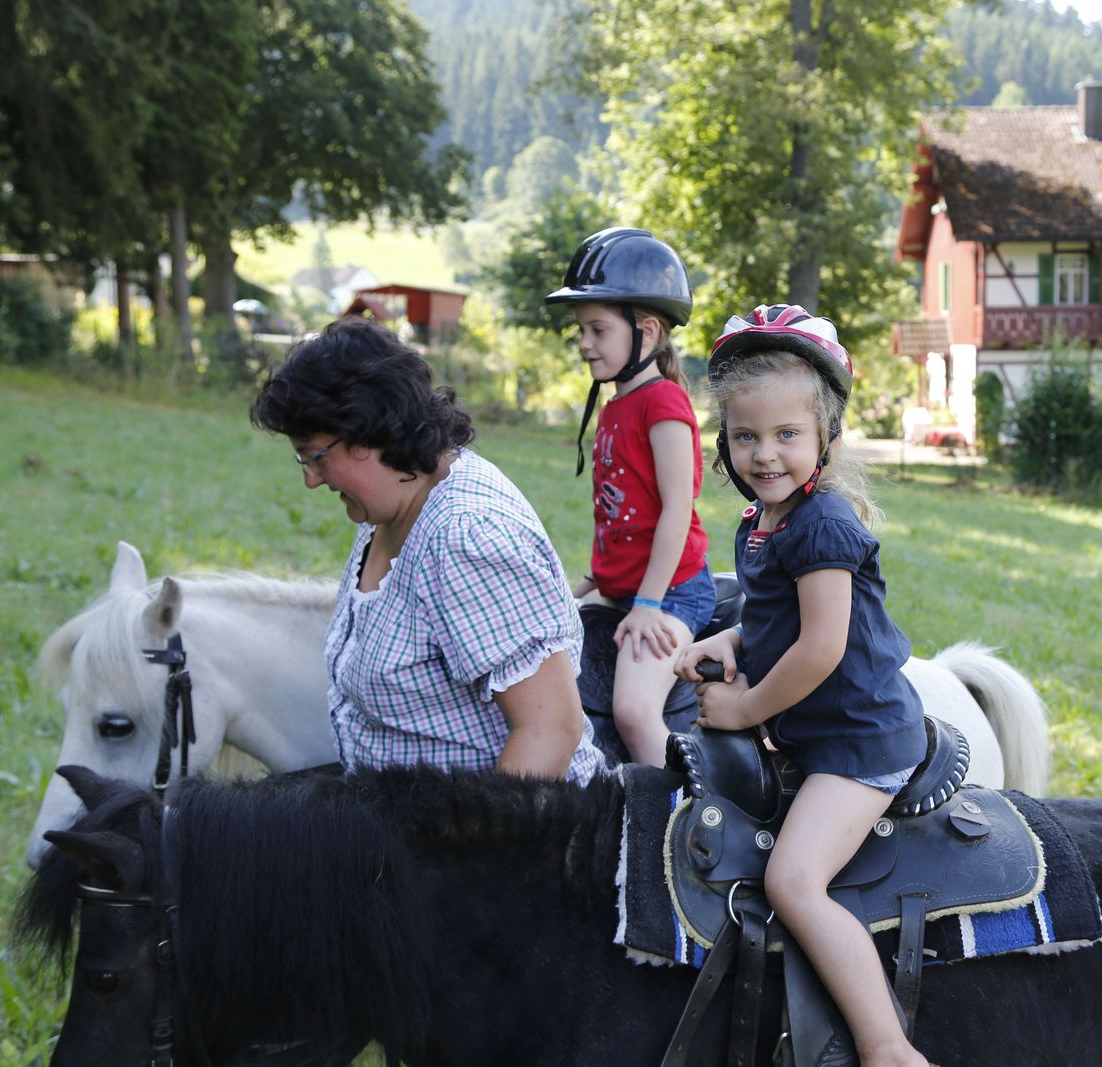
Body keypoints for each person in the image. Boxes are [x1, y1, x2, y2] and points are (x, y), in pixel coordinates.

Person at [675, 305, 929, 1067]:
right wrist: (730, 636)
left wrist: (748, 706)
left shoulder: (822, 524)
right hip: (815, 730)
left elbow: (822, 645)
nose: (765, 452)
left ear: (826, 437)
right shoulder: (763, 521)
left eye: (787, 434)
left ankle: (886, 1045)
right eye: (747, 435)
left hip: (860, 740)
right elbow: (779, 620)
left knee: (793, 879)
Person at [250, 317, 605, 784]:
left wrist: (470, 851)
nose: (310, 479)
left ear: (368, 431)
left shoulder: (466, 536)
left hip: (490, 839)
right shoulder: (393, 502)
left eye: (315, 456)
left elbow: (549, 732)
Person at [544, 227, 714, 765]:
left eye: (597, 329)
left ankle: (681, 817)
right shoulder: (616, 406)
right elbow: (617, 508)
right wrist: (594, 579)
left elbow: (674, 512)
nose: (585, 343)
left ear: (646, 331)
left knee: (634, 712)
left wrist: (646, 605)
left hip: (670, 593)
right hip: (622, 588)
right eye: (581, 330)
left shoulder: (663, 404)